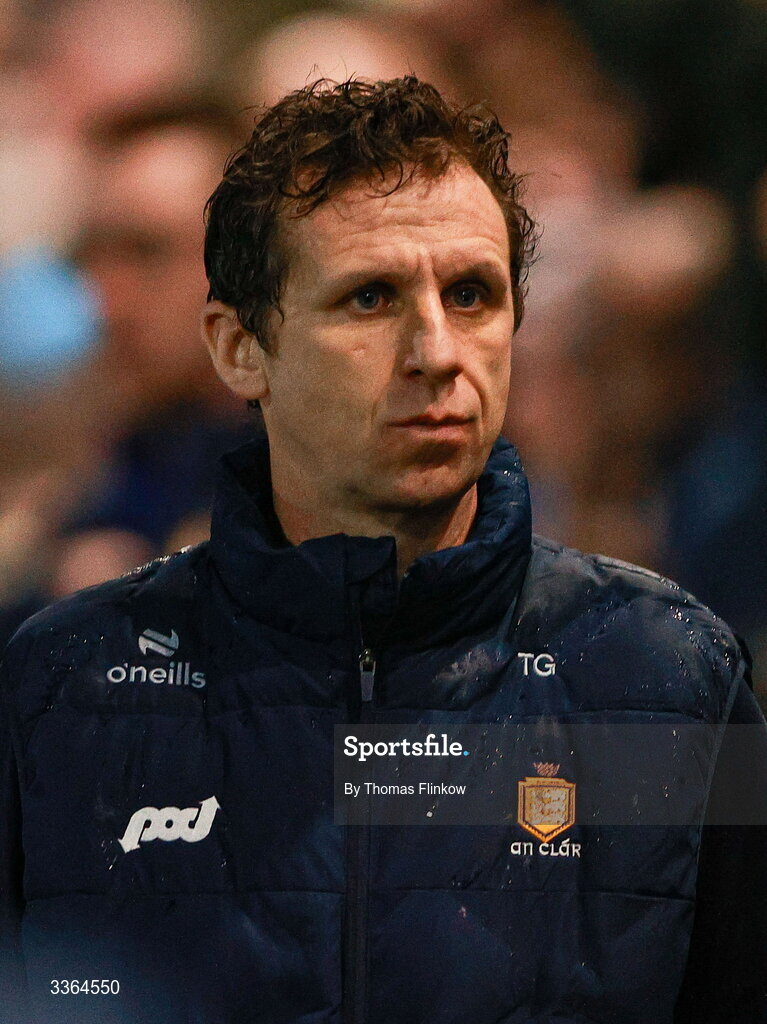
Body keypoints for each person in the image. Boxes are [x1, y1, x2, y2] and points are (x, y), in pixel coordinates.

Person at [1, 76, 765, 1024]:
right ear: (240, 348)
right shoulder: (61, 688)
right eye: (370, 298)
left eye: (473, 294)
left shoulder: (665, 677)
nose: (438, 350)